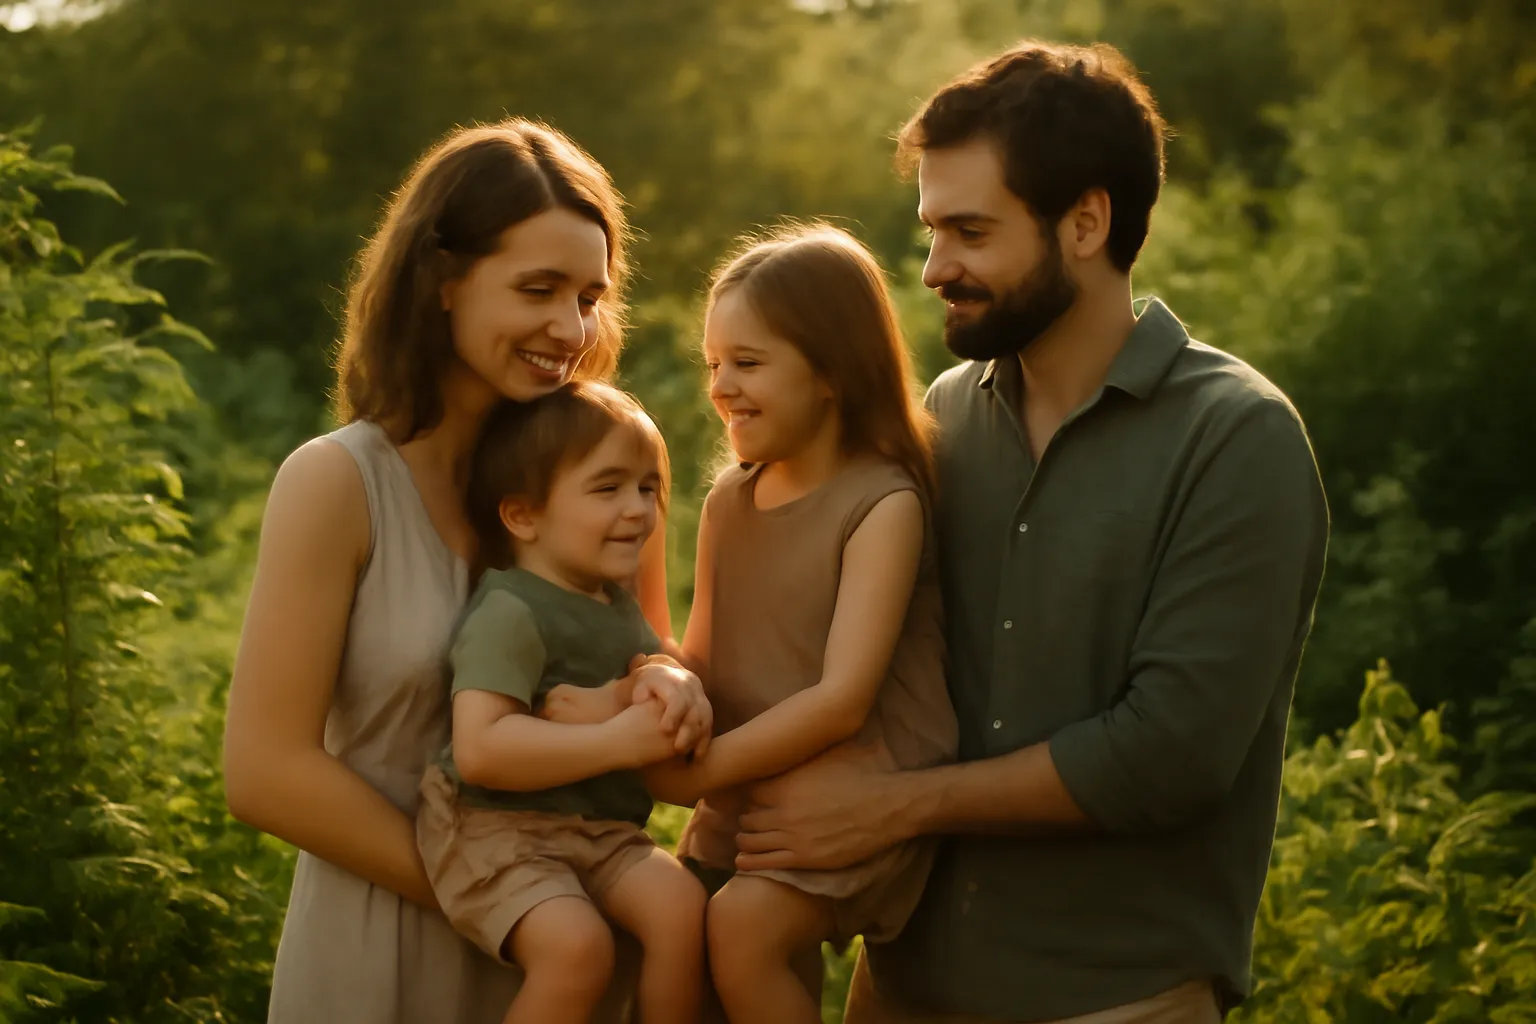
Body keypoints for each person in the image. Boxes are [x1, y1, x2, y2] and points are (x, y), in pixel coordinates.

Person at [731, 41, 1330, 1023]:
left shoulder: (1236, 438)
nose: (934, 268)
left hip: (1114, 1000)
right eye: (930, 230)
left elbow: (1168, 754)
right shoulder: (943, 416)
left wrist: (900, 806)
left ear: (1087, 222)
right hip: (900, 988)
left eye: (970, 231)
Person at [221, 118, 711, 1024]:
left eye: (591, 296)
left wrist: (670, 684)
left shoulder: (605, 487)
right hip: (389, 951)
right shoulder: (337, 481)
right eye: (539, 289)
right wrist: (505, 895)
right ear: (442, 281)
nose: (571, 328)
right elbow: (264, 770)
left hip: (571, 962)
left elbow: (644, 662)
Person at [645, 224, 958, 1024]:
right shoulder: (729, 501)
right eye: (713, 364)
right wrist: (658, 690)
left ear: (831, 370)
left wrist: (695, 777)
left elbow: (841, 700)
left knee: (743, 926)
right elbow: (705, 662)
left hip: (856, 783)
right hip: (746, 785)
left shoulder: (882, 503)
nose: (720, 386)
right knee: (670, 921)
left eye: (748, 364)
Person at [417, 381, 707, 1024]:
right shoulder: (511, 611)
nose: (636, 510)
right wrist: (620, 739)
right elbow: (483, 749)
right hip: (498, 828)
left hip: (596, 827)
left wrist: (666, 679)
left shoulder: (613, 602)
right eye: (607, 489)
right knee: (577, 949)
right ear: (523, 516)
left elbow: (637, 671)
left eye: (646, 488)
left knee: (683, 909)